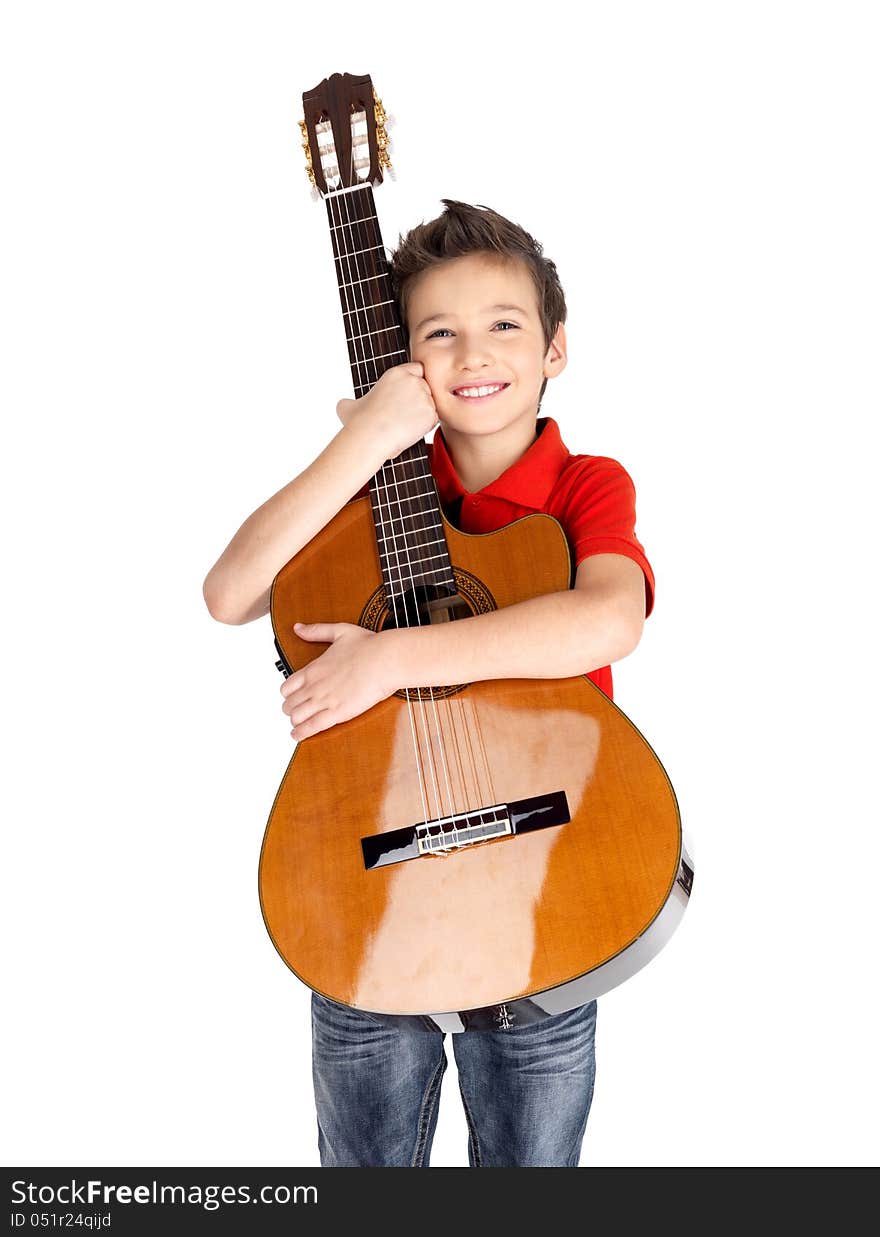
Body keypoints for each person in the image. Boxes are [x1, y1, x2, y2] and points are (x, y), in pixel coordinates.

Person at [202, 200, 655, 1167]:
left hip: (551, 875)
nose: (472, 353)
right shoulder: (364, 493)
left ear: (555, 348)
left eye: (504, 325)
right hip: (368, 881)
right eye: (437, 334)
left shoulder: (586, 488)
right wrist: (363, 441)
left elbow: (609, 618)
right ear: (404, 362)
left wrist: (392, 657)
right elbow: (230, 591)